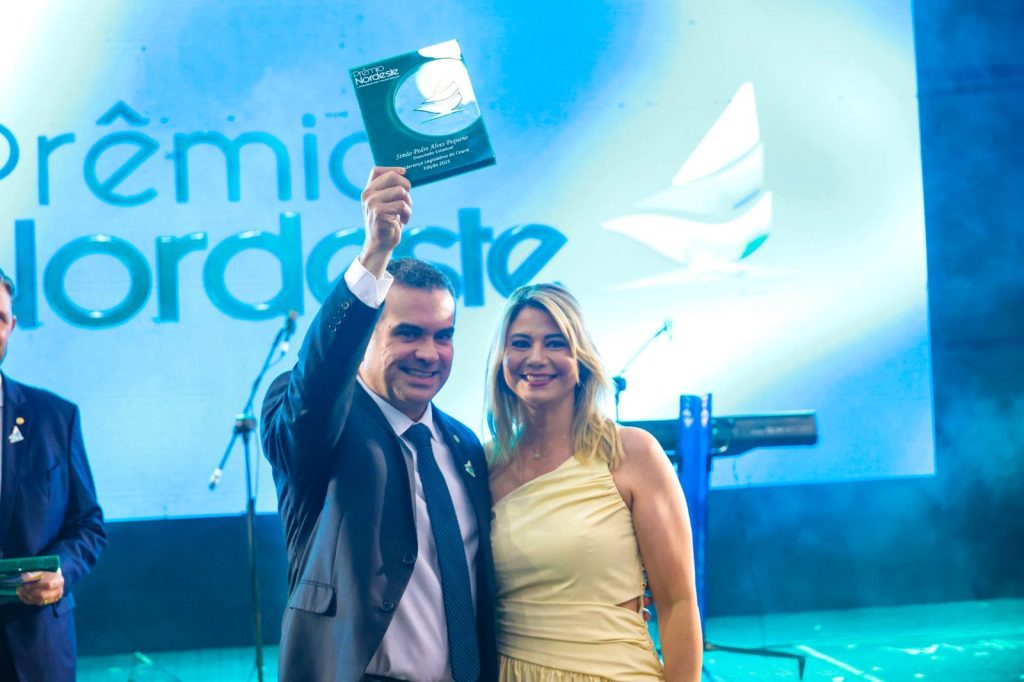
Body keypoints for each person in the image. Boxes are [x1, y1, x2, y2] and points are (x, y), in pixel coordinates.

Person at [261, 167, 498, 681]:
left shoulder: (463, 445)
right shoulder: (323, 423)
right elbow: (318, 381)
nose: (429, 353)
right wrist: (374, 255)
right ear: (366, 337)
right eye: (408, 333)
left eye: (443, 335)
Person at [486, 283, 703, 681]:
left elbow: (678, 603)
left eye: (555, 343)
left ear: (581, 358)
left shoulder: (632, 453)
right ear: (502, 359)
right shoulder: (483, 464)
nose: (536, 357)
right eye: (520, 343)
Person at [0, 268, 107, 681]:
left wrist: (61, 571)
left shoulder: (55, 418)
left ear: (12, 326)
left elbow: (88, 524)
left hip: (37, 649)